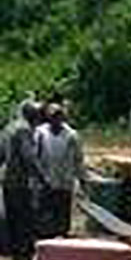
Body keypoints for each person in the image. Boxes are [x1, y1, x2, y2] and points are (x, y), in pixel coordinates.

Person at [34, 103, 83, 243]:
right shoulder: (40, 132)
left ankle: (62, 240)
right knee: (45, 212)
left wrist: (81, 178)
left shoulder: (72, 135)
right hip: (46, 180)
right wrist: (39, 177)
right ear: (48, 117)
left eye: (58, 116)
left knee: (62, 213)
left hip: (65, 181)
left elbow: (78, 159)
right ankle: (46, 239)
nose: (55, 119)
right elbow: (35, 155)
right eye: (52, 116)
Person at [2, 101, 44, 260]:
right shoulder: (24, 129)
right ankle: (23, 249)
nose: (39, 117)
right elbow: (29, 157)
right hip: (20, 180)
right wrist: (41, 177)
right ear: (30, 114)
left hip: (7, 178)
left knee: (12, 215)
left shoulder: (9, 127)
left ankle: (13, 248)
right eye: (37, 114)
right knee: (24, 216)